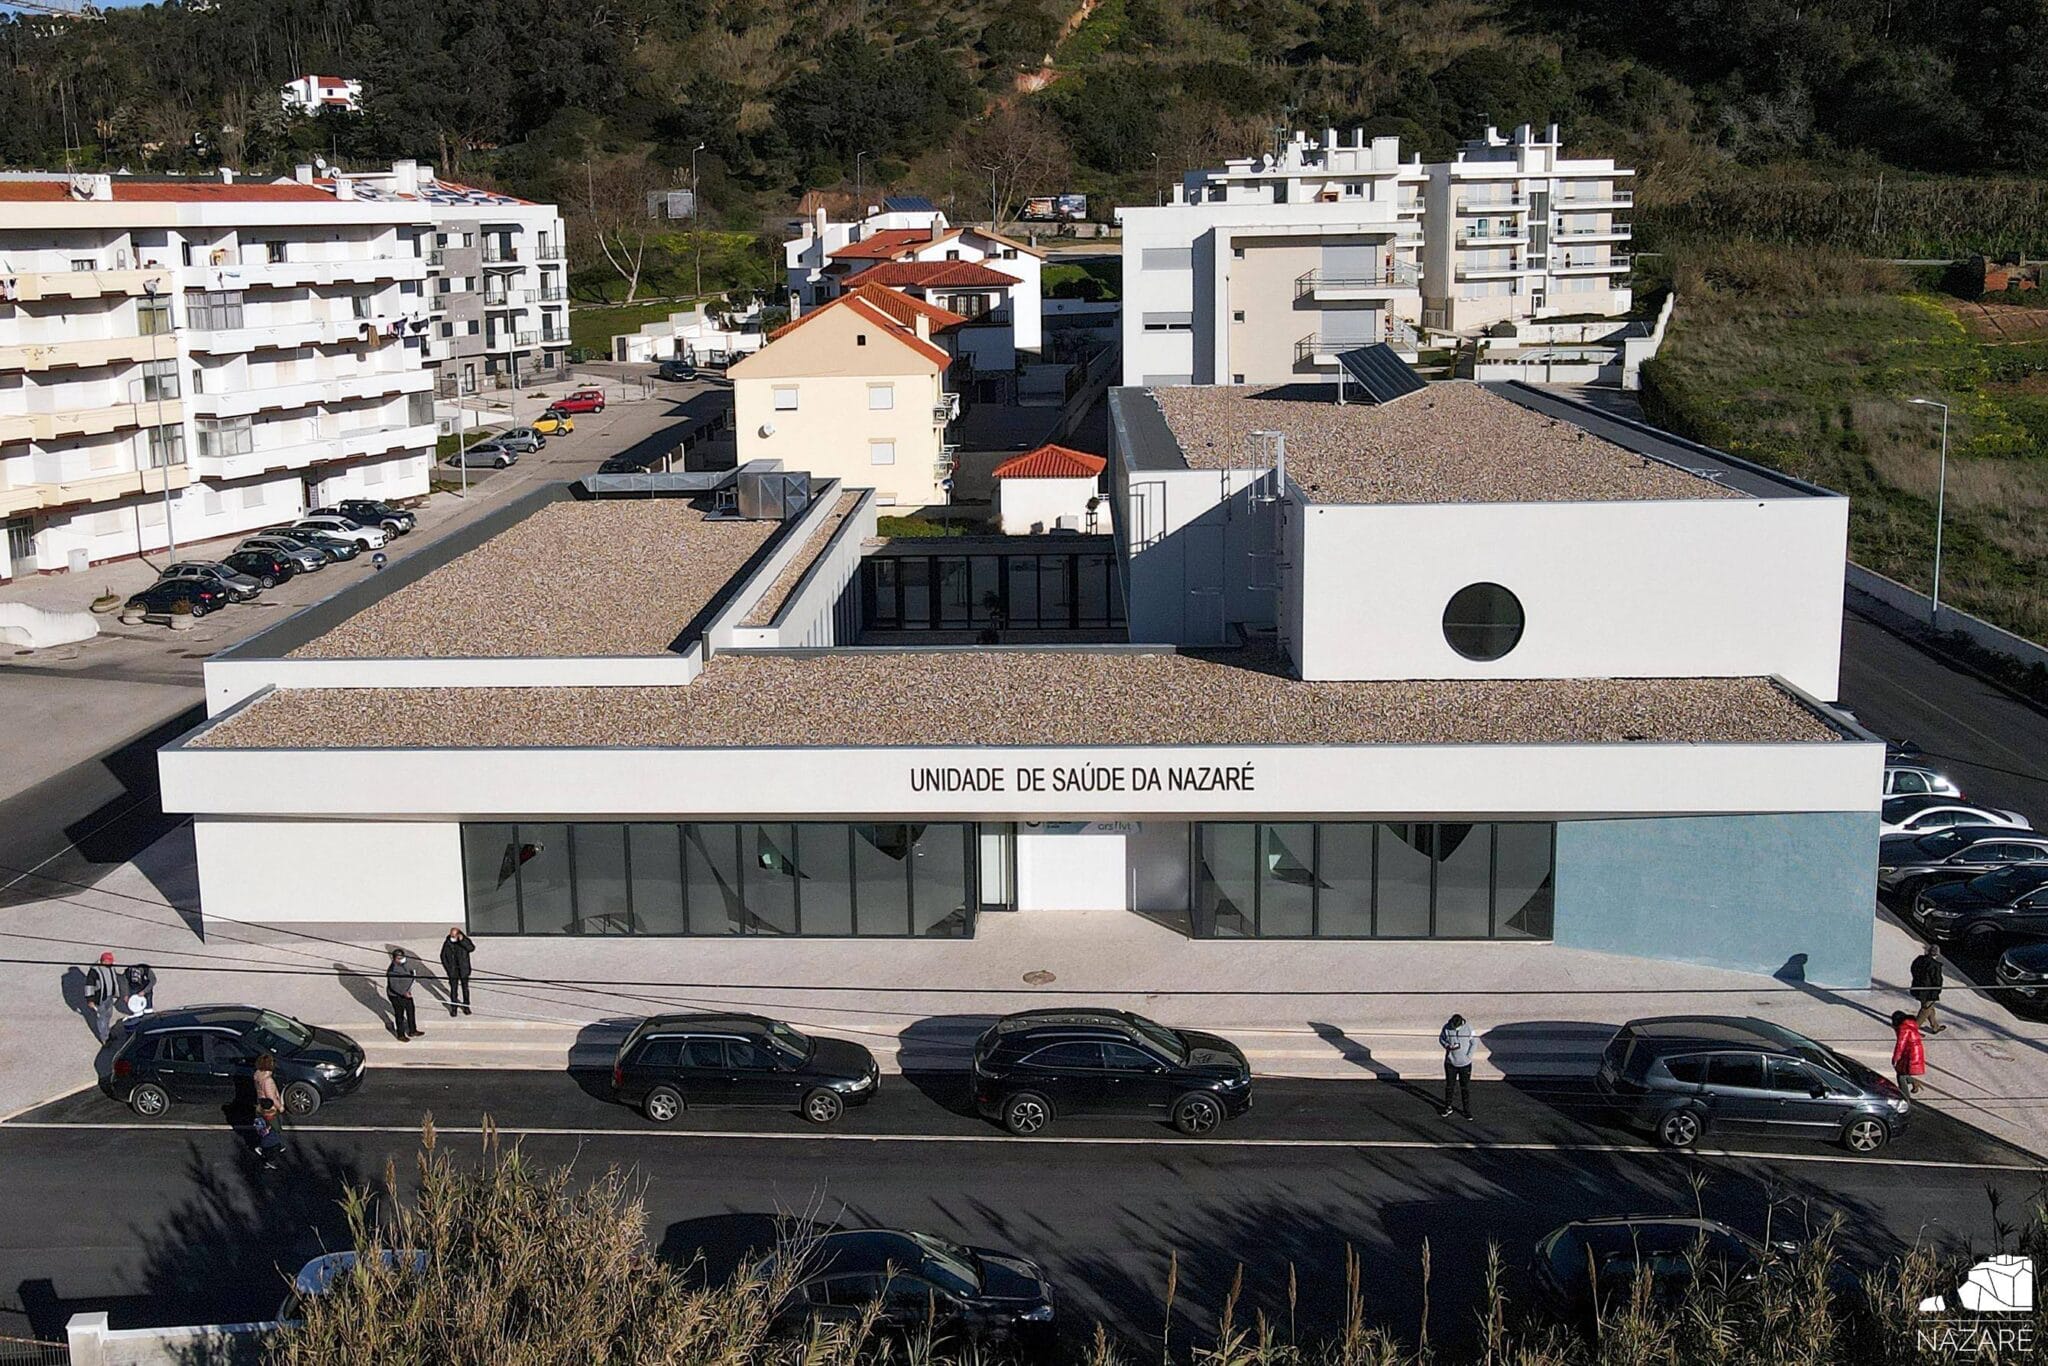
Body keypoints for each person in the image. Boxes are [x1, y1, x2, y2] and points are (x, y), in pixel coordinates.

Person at [1437, 1013, 1477, 1120]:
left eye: (1456, 1027)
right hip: (1450, 1063)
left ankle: (1466, 1110)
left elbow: (1474, 1043)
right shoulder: (1446, 1027)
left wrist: (1468, 1056)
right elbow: (1441, 1039)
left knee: (1465, 1087)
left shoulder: (1469, 1028)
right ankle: (1448, 1107)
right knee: (1450, 1086)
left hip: (1465, 1064)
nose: (1454, 1028)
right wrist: (1447, 1046)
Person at [386, 948, 422, 1041]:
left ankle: (412, 1030)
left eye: (402, 957)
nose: (402, 959)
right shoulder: (392, 970)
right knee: (399, 1014)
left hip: (407, 991)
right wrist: (404, 993)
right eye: (399, 958)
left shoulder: (404, 965)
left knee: (410, 1010)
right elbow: (394, 986)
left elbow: (409, 971)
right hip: (396, 995)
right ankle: (400, 1034)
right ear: (394, 959)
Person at [1911, 943, 1948, 1034]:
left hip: (1918, 988)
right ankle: (1913, 1030)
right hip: (1929, 992)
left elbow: (1913, 969)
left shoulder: (1919, 959)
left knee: (1929, 1008)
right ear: (1937, 954)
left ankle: (1935, 1026)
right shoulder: (1935, 965)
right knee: (1925, 1010)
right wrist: (1937, 992)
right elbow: (1937, 981)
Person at [439, 928, 476, 1018]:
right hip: (453, 970)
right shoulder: (447, 943)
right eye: (451, 935)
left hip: (463, 970)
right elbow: (443, 956)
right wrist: (448, 969)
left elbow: (471, 948)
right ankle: (454, 1008)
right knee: (453, 990)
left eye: (454, 936)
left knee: (465, 989)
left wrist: (462, 941)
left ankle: (466, 1006)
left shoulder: (465, 940)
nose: (452, 937)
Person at [83, 951, 119, 1041]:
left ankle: (107, 1033)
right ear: (104, 961)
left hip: (109, 996)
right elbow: (89, 986)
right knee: (102, 1018)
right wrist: (90, 1000)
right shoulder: (94, 971)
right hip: (100, 998)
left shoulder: (111, 967)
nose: (111, 963)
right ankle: (104, 1039)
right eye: (109, 961)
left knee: (108, 1015)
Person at [1891, 1011, 1926, 1099]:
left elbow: (1900, 1044)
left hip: (1910, 1054)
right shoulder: (1910, 1024)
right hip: (1914, 1051)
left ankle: (1905, 1097)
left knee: (1901, 1075)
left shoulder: (1903, 1028)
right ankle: (1913, 1082)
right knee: (1903, 1072)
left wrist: (1895, 1058)